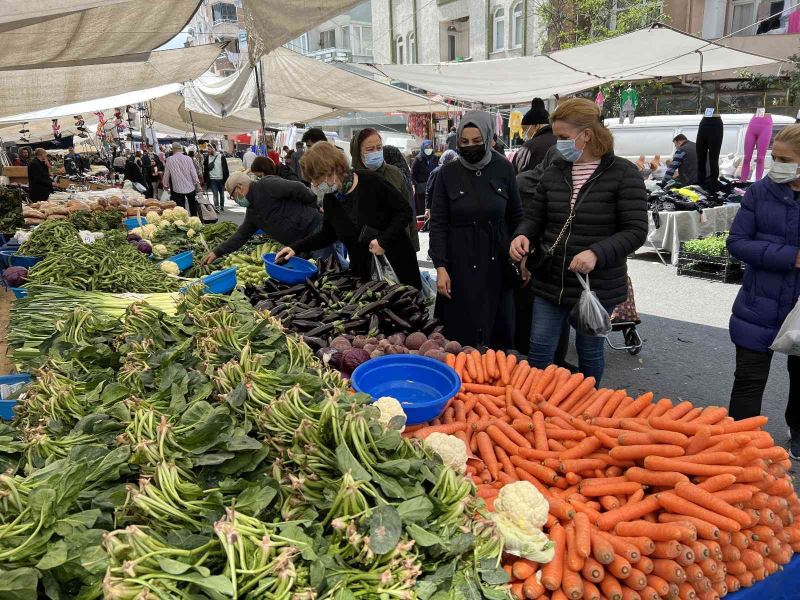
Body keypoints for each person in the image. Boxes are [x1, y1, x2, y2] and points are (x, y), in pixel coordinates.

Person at [510, 98, 647, 383]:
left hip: (596, 285)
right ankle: (536, 408)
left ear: (586, 134)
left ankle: (587, 412)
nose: (557, 144)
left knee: (590, 351)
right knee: (539, 351)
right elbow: (535, 217)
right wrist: (522, 235)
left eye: (563, 137)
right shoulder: (555, 170)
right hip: (550, 280)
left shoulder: (624, 174)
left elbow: (635, 230)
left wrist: (596, 253)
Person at [726, 124, 800, 457]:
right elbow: (737, 243)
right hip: (759, 303)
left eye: (784, 159)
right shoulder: (760, 192)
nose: (776, 164)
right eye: (774, 156)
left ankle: (797, 431)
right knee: (748, 379)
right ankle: (738, 442)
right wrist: (790, 257)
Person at [430, 111, 523, 349]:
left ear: (489, 138)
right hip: (459, 262)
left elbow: (516, 215)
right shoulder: (447, 173)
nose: (470, 147)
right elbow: (438, 223)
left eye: (477, 141)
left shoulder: (503, 168)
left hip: (497, 259)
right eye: (464, 142)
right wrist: (440, 267)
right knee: (460, 332)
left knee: (497, 329)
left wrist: (522, 256)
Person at [274, 141, 421, 288]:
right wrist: (296, 247)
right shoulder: (331, 199)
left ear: (332, 169)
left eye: (317, 179)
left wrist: (384, 240)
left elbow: (404, 211)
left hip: (397, 266)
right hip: (364, 275)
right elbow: (327, 234)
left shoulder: (372, 181)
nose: (315, 184)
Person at [199, 169, 326, 265]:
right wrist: (217, 252)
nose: (234, 200)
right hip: (298, 244)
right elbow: (241, 236)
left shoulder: (267, 184)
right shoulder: (252, 212)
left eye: (233, 196)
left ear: (240, 188)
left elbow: (298, 188)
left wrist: (314, 205)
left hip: (315, 230)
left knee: (327, 268)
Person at [351, 129, 420, 253]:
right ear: (357, 153)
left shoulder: (394, 173)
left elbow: (408, 211)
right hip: (366, 250)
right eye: (370, 149)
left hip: (399, 246)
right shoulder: (352, 180)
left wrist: (413, 246)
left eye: (379, 148)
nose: (376, 152)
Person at [513, 98, 557, 175]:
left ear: (536, 126)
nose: (523, 133)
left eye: (524, 129)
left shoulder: (528, 147)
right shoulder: (563, 142)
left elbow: (514, 174)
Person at [162, 142, 202, 216]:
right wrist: (198, 184)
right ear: (180, 149)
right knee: (193, 207)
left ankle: (184, 223)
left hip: (177, 188)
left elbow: (166, 174)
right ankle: (195, 219)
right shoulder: (188, 158)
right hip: (190, 187)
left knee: (181, 210)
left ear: (172, 150)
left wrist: (165, 185)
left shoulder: (169, 159)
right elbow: (193, 173)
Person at [424, 149, 458, 217]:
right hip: (437, 205)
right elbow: (429, 190)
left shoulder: (453, 171)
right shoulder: (436, 172)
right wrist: (427, 208)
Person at [411, 140, 439, 216]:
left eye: (430, 147)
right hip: (421, 190)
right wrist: (415, 184)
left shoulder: (435, 158)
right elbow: (412, 174)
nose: (429, 149)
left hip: (433, 188)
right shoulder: (418, 159)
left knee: (432, 209)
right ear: (423, 148)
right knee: (422, 210)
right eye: (427, 147)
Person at [204, 145, 230, 213]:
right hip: (212, 179)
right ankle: (216, 207)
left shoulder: (221, 157)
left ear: (214, 149)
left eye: (209, 149)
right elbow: (205, 169)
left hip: (221, 178)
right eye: (208, 149)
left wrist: (227, 178)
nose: (208, 151)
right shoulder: (207, 158)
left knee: (221, 194)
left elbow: (225, 168)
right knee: (215, 194)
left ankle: (221, 206)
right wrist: (205, 180)